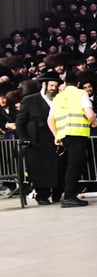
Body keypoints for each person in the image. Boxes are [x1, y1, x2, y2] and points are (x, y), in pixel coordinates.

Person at [47, 70, 97, 208]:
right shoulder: (81, 94)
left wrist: (56, 135)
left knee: (71, 164)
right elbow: (89, 113)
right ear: (79, 83)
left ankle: (69, 194)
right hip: (78, 133)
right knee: (74, 165)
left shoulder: (58, 97)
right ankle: (69, 196)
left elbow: (50, 119)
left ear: (65, 83)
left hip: (64, 134)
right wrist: (93, 121)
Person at [16, 74, 61, 205]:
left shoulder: (58, 100)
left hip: (55, 139)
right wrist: (23, 138)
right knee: (39, 171)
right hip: (36, 142)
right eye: (51, 85)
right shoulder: (29, 100)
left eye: (56, 86)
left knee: (57, 168)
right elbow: (20, 122)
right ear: (44, 85)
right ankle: (42, 196)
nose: (53, 88)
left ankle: (57, 194)